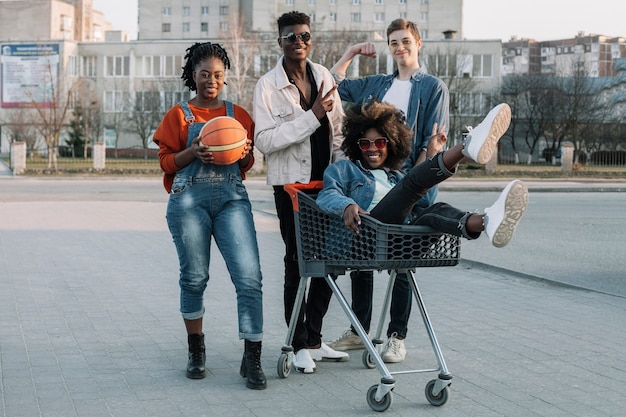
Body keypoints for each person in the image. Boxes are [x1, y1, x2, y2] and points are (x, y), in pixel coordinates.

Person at [327, 18, 450, 362]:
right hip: (370, 183)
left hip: (409, 184)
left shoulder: (432, 87)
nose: (400, 48)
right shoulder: (378, 83)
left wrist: (424, 178)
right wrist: (351, 51)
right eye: (394, 42)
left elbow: (432, 139)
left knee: (402, 264)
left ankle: (397, 337)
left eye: (405, 41)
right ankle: (359, 331)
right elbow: (333, 84)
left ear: (418, 43)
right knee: (364, 256)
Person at [153, 42, 266, 390]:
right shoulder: (178, 115)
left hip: (232, 200)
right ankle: (196, 350)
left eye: (217, 75)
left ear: (224, 77)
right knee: (194, 278)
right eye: (204, 74)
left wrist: (244, 153)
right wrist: (192, 151)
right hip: (189, 202)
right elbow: (165, 164)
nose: (211, 81)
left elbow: (245, 166)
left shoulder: (238, 116)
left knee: (249, 278)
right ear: (193, 76)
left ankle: (252, 357)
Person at [253, 11, 349, 374]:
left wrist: (342, 171)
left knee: (329, 260)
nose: (299, 42)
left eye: (305, 36)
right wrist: (310, 115)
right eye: (291, 37)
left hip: (329, 185)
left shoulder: (323, 75)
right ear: (280, 41)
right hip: (291, 186)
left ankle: (313, 338)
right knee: (298, 261)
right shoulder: (267, 85)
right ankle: (296, 344)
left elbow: (338, 128)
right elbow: (264, 141)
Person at [316, 100, 528, 264]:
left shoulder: (395, 176)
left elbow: (425, 201)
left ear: (391, 144)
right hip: (364, 239)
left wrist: (432, 153)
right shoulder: (344, 170)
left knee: (434, 210)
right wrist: (347, 204)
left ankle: (486, 221)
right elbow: (327, 195)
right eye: (365, 143)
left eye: (380, 142)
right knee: (411, 183)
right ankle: (466, 147)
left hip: (397, 242)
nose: (373, 148)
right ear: (356, 146)